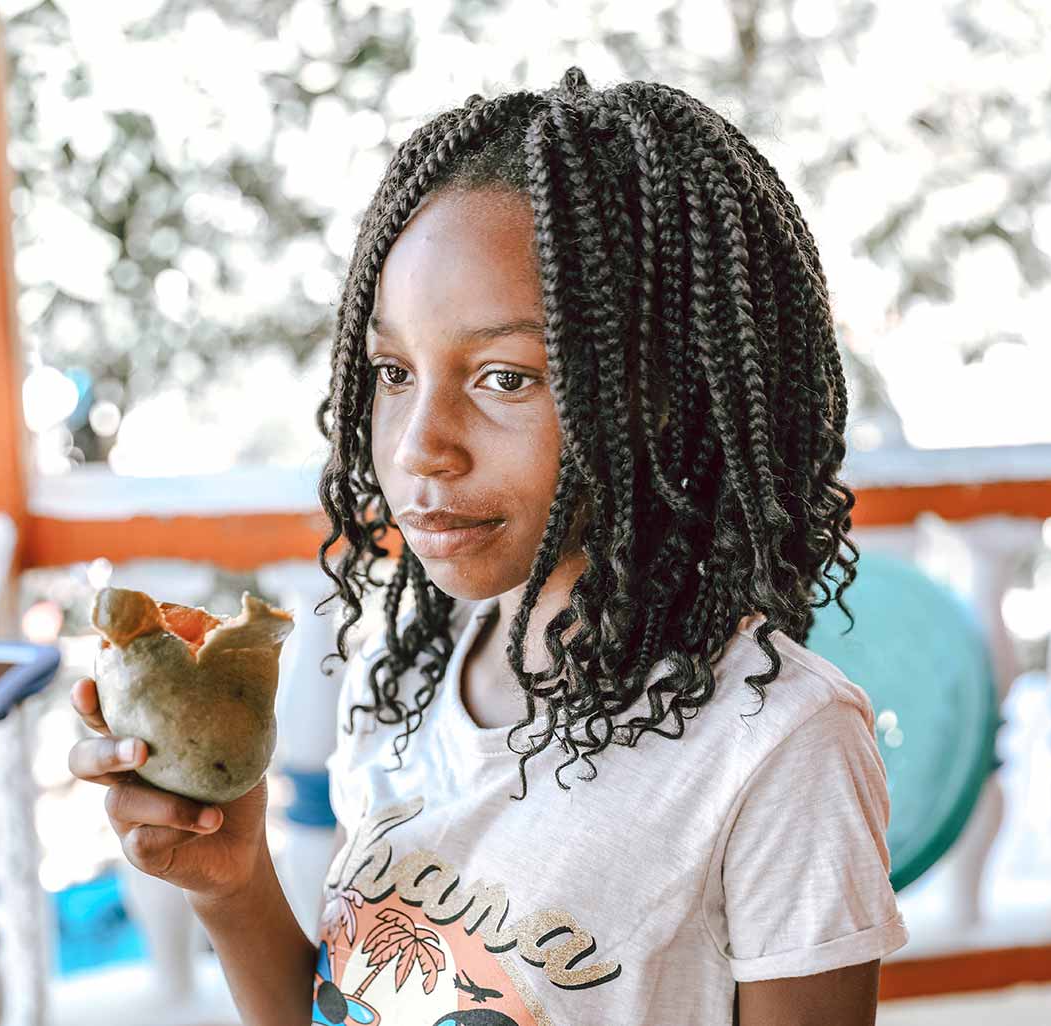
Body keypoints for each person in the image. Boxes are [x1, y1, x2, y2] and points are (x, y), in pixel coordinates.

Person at [69, 65, 908, 1025]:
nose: (421, 445)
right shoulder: (405, 671)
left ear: (670, 394)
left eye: (506, 378)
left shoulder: (776, 748)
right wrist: (230, 885)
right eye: (392, 370)